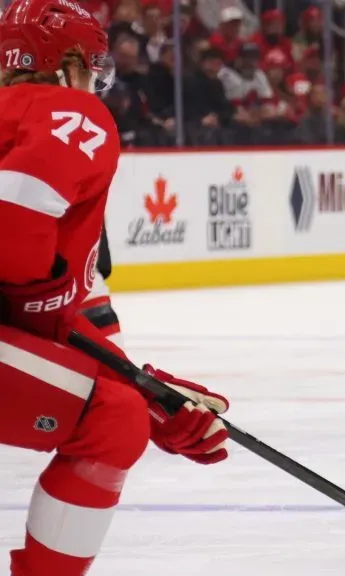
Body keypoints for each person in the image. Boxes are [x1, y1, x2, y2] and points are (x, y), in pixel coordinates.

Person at [0, 2, 231, 574]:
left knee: (120, 405)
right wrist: (135, 399)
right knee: (111, 419)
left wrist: (143, 386)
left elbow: (49, 309)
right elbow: (13, 240)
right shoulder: (70, 114)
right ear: (62, 64)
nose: (94, 81)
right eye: (88, 64)